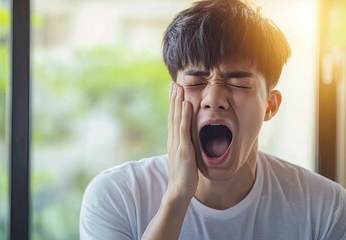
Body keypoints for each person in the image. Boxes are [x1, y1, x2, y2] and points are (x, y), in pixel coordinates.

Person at [80, 0, 346, 239]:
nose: (214, 98)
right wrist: (176, 197)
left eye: (239, 83)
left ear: (270, 105)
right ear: (173, 99)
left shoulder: (325, 208)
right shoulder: (116, 197)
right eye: (196, 81)